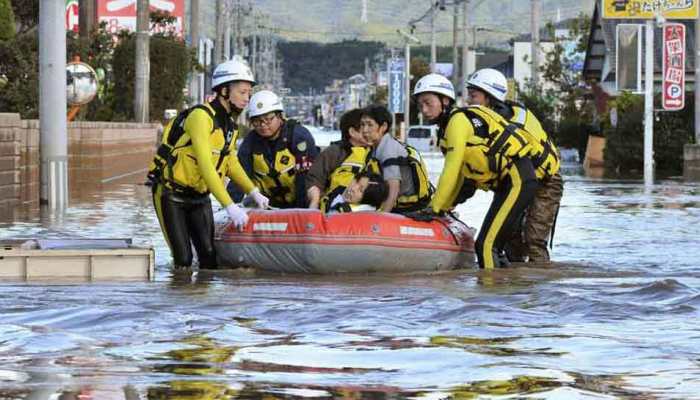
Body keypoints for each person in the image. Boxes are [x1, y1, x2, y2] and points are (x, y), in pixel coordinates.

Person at [413, 73, 555, 269]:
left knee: (487, 246)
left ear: (445, 100)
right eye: (420, 105)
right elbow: (464, 176)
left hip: (519, 179)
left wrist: (434, 208)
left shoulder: (458, 121)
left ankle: (491, 296)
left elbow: (451, 169)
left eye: (428, 102)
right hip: (512, 183)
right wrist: (444, 206)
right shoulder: (448, 128)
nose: (424, 110)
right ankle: (511, 286)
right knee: (499, 244)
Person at [147, 59, 269, 269]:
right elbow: (206, 166)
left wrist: (254, 192)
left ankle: (203, 300)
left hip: (200, 197)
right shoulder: (200, 117)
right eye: (242, 92)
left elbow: (230, 162)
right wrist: (229, 206)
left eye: (248, 93)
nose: (246, 99)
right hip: (171, 195)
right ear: (223, 90)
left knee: (209, 260)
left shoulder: (230, 125)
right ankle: (179, 296)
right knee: (183, 261)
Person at [467, 68, 563, 263]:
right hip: (518, 182)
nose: (469, 102)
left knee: (534, 240)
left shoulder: (510, 125)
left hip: (546, 181)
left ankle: (540, 287)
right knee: (511, 238)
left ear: (489, 97)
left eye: (473, 95)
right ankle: (514, 287)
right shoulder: (491, 122)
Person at [236, 90, 319, 208]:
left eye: (268, 119)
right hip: (268, 205)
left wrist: (302, 212)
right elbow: (239, 177)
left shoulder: (298, 136)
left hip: (301, 202)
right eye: (257, 121)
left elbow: (307, 178)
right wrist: (231, 207)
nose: (263, 125)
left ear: (280, 117)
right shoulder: (250, 142)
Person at [361, 105, 433, 214]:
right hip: (401, 206)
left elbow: (393, 190)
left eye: (370, 125)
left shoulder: (388, 149)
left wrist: (381, 217)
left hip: (408, 209)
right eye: (362, 124)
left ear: (383, 126)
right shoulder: (378, 147)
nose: (365, 130)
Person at [306, 108, 371, 212]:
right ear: (353, 132)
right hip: (334, 214)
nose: (369, 130)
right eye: (364, 126)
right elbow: (314, 181)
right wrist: (314, 204)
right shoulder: (333, 153)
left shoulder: (378, 151)